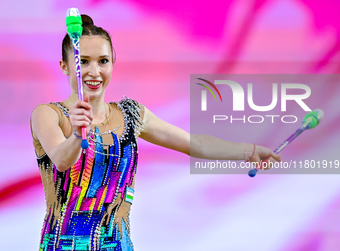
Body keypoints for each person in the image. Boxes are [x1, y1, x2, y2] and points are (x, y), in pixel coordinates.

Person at [30, 14, 281, 251]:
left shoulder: (132, 114)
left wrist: (249, 151)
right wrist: (77, 133)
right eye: (83, 61)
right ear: (64, 66)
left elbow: (195, 144)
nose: (94, 72)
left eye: (103, 61)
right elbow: (62, 161)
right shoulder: (48, 114)